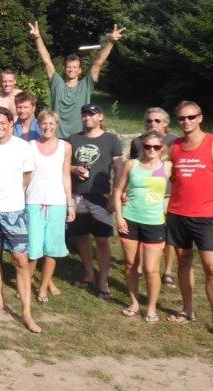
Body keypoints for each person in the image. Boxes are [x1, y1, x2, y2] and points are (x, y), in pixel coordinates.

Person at [166, 101, 213, 339]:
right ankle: (187, 310)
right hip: (178, 214)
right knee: (183, 262)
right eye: (182, 118)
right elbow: (169, 176)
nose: (186, 122)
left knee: (211, 267)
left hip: (206, 217)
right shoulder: (174, 146)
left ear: (200, 118)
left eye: (191, 117)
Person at [0, 107, 39, 333]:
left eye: (3, 123)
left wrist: (13, 194)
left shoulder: (22, 147)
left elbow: (27, 175)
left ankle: (26, 311)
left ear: (11, 123)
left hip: (14, 210)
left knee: (20, 259)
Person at [113, 130, 171, 322]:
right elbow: (118, 189)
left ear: (161, 147)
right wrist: (119, 217)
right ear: (141, 146)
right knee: (130, 265)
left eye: (156, 147)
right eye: (147, 146)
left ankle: (152, 307)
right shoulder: (132, 164)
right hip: (130, 219)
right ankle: (134, 303)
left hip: (154, 222)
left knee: (151, 269)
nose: (151, 150)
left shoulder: (168, 166)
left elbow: (185, 185)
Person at [30, 21, 124, 138]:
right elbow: (47, 61)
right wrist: (37, 38)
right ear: (65, 69)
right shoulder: (57, 84)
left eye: (74, 67)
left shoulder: (86, 85)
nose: (71, 69)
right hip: (58, 138)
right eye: (69, 67)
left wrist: (111, 42)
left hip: (80, 137)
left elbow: (98, 62)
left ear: (80, 70)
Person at [68, 103, 123, 299]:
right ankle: (89, 273)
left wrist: (115, 194)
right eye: (84, 115)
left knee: (102, 240)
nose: (87, 118)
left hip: (102, 196)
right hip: (79, 195)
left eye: (91, 115)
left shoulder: (111, 139)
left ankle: (104, 280)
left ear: (100, 117)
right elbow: (65, 165)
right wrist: (75, 169)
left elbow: (119, 169)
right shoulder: (73, 139)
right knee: (82, 237)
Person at [25, 111, 74, 303]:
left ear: (57, 125)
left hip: (57, 202)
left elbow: (65, 175)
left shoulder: (65, 147)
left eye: (51, 124)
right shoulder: (30, 146)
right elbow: (27, 174)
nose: (47, 127)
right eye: (44, 123)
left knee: (52, 248)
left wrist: (70, 203)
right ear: (39, 125)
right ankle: (26, 283)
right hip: (33, 200)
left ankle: (44, 287)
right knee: (33, 247)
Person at [128, 106, 179, 287]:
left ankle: (167, 272)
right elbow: (133, 167)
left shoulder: (175, 142)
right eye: (149, 121)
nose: (153, 124)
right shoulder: (137, 141)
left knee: (168, 235)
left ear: (165, 123)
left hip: (167, 195)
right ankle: (141, 267)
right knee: (144, 232)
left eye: (157, 121)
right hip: (143, 196)